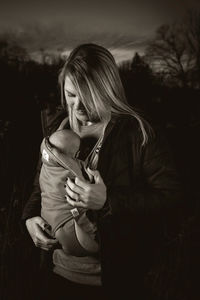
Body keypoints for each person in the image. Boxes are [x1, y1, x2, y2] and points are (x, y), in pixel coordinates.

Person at [22, 43, 182, 299]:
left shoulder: (139, 133)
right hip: (57, 274)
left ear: (108, 90)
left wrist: (109, 201)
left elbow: (171, 197)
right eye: (71, 94)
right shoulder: (58, 127)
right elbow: (39, 185)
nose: (78, 106)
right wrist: (30, 218)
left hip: (116, 281)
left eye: (88, 96)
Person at [40, 129, 99, 256]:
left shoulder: (47, 162)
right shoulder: (71, 171)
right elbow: (85, 189)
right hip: (67, 220)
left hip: (49, 217)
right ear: (76, 154)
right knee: (93, 248)